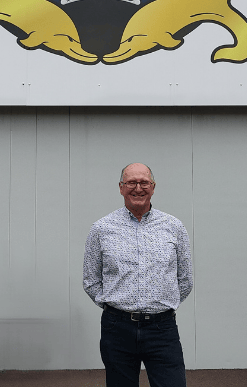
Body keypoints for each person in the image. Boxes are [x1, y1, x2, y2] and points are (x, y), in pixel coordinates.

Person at [83, 162, 194, 387]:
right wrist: (114, 307)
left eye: (144, 182)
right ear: (121, 187)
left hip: (162, 328)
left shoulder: (174, 227)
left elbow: (185, 279)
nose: (138, 188)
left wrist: (161, 304)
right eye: (131, 182)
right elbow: (91, 280)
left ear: (153, 187)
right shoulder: (101, 228)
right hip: (117, 328)